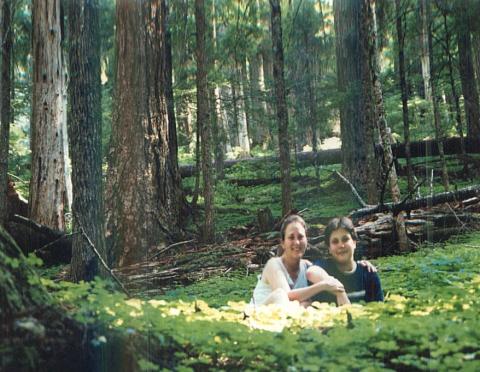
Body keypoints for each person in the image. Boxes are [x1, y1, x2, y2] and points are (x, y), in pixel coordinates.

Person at [251, 214, 350, 307]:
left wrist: (340, 291)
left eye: (300, 237)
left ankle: (349, 317)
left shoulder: (307, 266)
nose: (297, 242)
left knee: (314, 275)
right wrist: (322, 286)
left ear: (306, 240)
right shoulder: (274, 265)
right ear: (283, 243)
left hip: (288, 318)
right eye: (291, 237)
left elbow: (331, 281)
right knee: (280, 295)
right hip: (258, 317)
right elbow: (287, 296)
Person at [312, 216, 384, 304]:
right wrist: (339, 290)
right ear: (329, 248)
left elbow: (379, 309)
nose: (341, 245)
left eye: (345, 239)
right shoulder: (324, 269)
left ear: (354, 242)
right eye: (335, 242)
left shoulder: (368, 274)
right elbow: (312, 271)